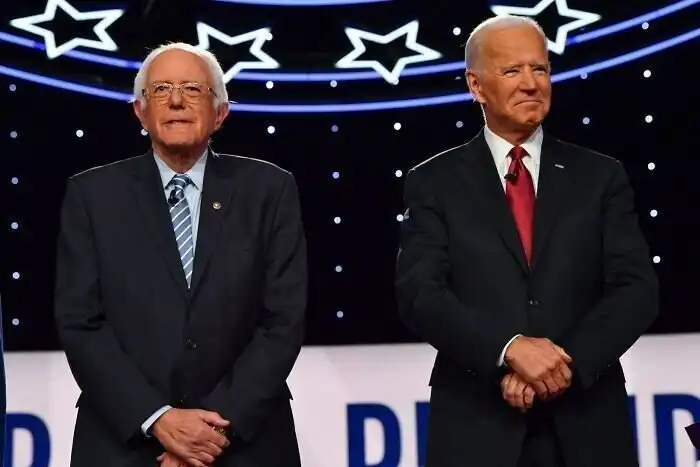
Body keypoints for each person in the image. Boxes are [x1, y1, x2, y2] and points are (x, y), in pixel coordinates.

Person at [395, 15, 658, 467]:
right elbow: (421, 295)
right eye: (512, 71)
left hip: (587, 424)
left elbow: (636, 289)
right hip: (478, 425)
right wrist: (508, 349)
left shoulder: (600, 176)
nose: (531, 83)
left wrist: (562, 366)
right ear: (476, 85)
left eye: (540, 69)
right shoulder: (434, 182)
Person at [54, 43, 307, 467]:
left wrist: (209, 432)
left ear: (221, 112)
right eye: (161, 89)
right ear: (140, 111)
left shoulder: (270, 190)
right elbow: (80, 322)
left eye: (192, 89)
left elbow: (283, 321)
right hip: (125, 444)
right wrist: (158, 420)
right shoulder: (92, 196)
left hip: (243, 443)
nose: (175, 101)